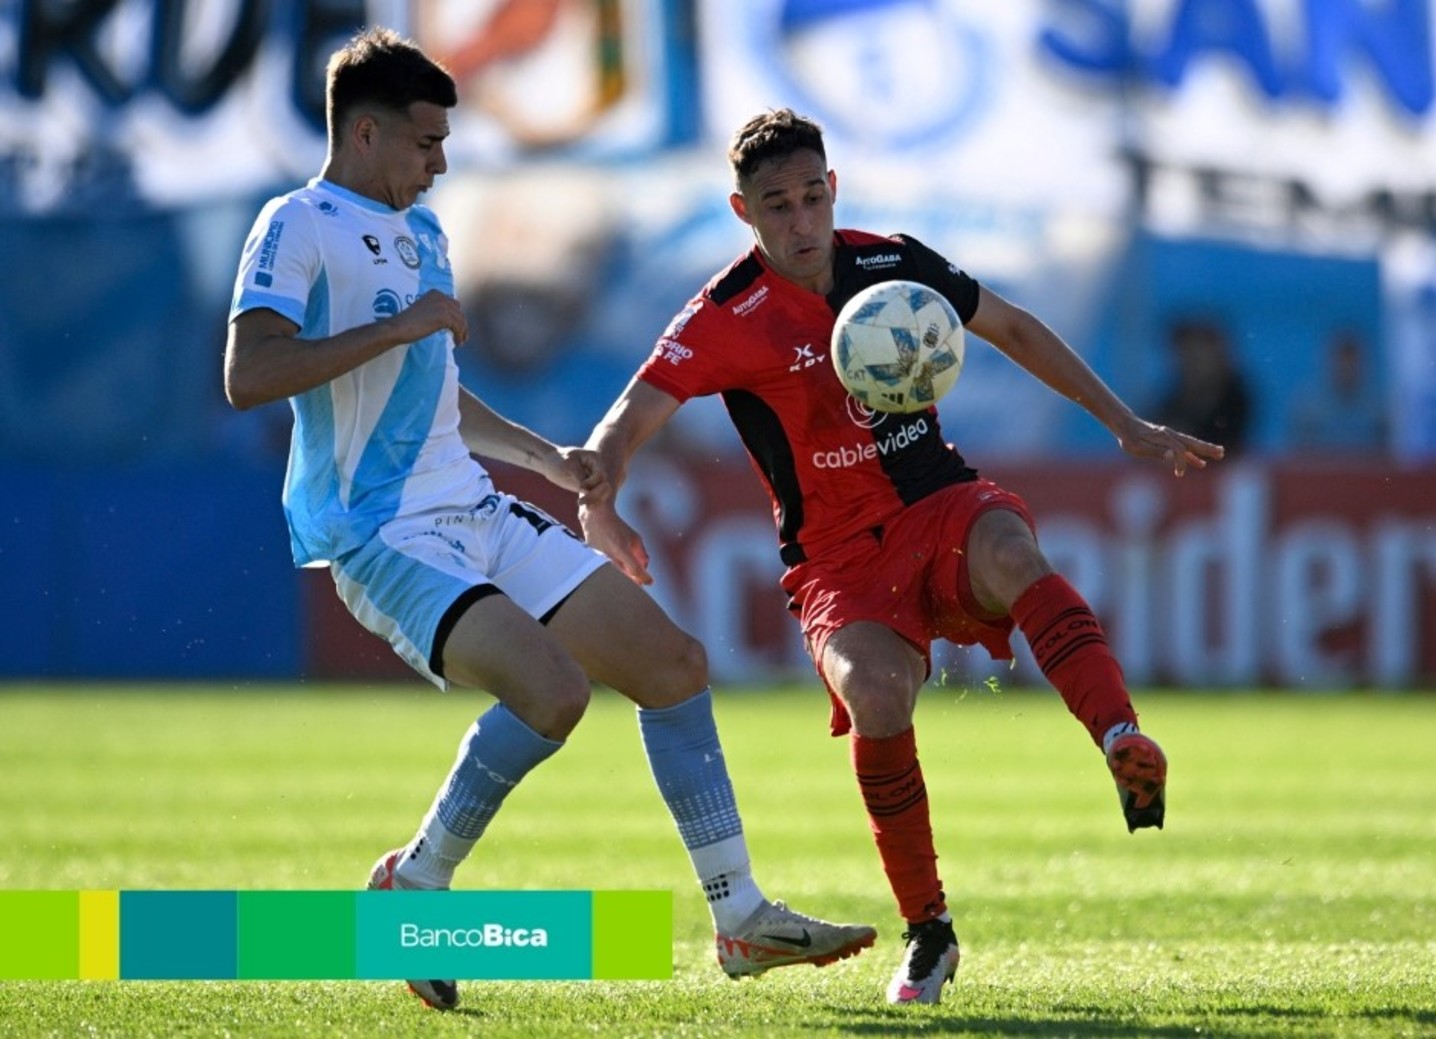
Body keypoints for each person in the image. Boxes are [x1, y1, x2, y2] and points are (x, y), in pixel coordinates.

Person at [224, 34, 874, 1011]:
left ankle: (737, 913)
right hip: (377, 531)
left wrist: (546, 459)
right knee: (555, 694)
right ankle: (417, 882)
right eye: (424, 142)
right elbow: (250, 375)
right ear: (363, 133)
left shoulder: (423, 234)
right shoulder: (296, 224)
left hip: (474, 508)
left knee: (672, 666)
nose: (440, 163)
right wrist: (399, 327)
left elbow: (433, 396)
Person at [579, 108, 1225, 1006]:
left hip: (936, 501)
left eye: (812, 197)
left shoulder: (889, 262)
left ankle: (1121, 737)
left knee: (1010, 549)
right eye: (778, 206)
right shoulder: (725, 314)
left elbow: (1014, 327)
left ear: (833, 189)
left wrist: (1125, 425)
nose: (801, 222)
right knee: (877, 697)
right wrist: (599, 485)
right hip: (835, 558)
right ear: (742, 211)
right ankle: (929, 932)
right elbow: (629, 418)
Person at [1152, 316, 1253, 455]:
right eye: (1185, 356)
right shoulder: (1173, 399)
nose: (1188, 363)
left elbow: (1222, 444)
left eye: (1196, 356)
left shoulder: (1237, 400)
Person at [1288, 330, 1387, 456]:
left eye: (1352, 363)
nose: (1347, 369)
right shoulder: (1308, 408)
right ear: (1330, 363)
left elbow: (1387, 456)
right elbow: (1296, 454)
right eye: (1342, 362)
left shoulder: (1378, 410)